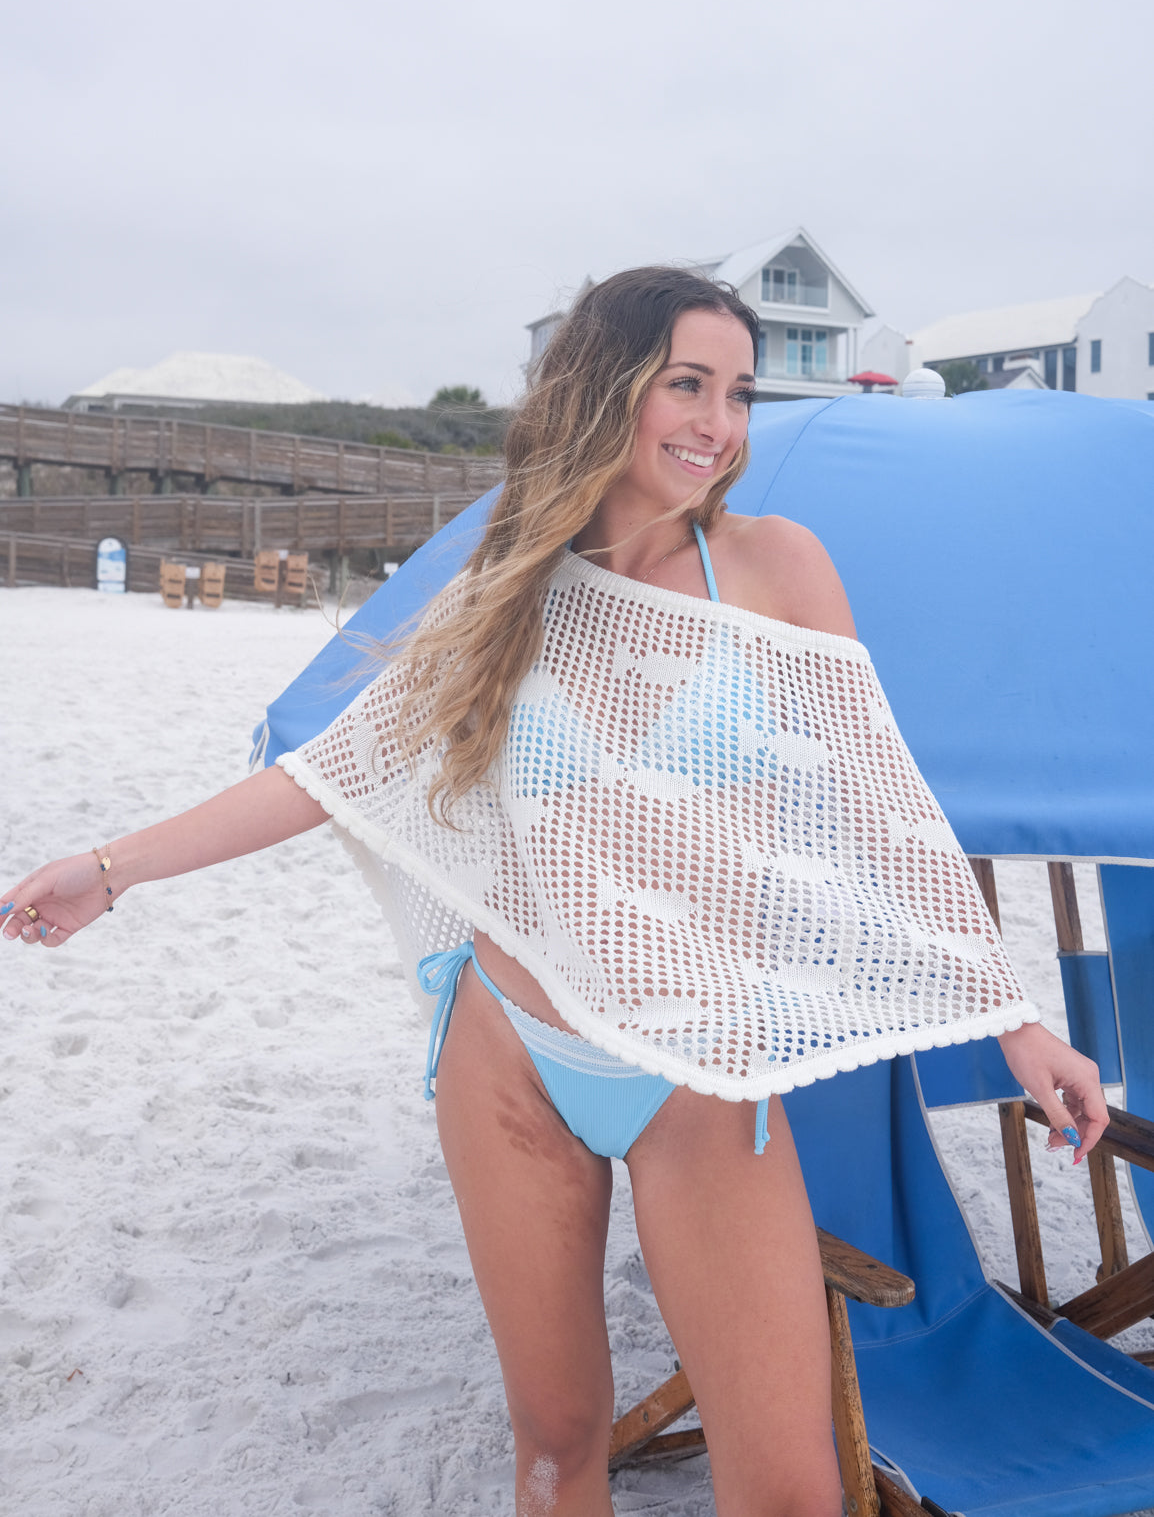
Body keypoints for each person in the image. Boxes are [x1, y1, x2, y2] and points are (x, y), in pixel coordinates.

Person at [2, 267, 1109, 1517]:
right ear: (605, 389)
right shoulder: (512, 583)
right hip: (510, 1048)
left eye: (737, 391)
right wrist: (108, 870)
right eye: (684, 384)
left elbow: (883, 811)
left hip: (693, 1066)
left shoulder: (772, 568)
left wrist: (1012, 1021)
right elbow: (336, 772)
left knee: (791, 1488)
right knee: (554, 1446)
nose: (716, 422)